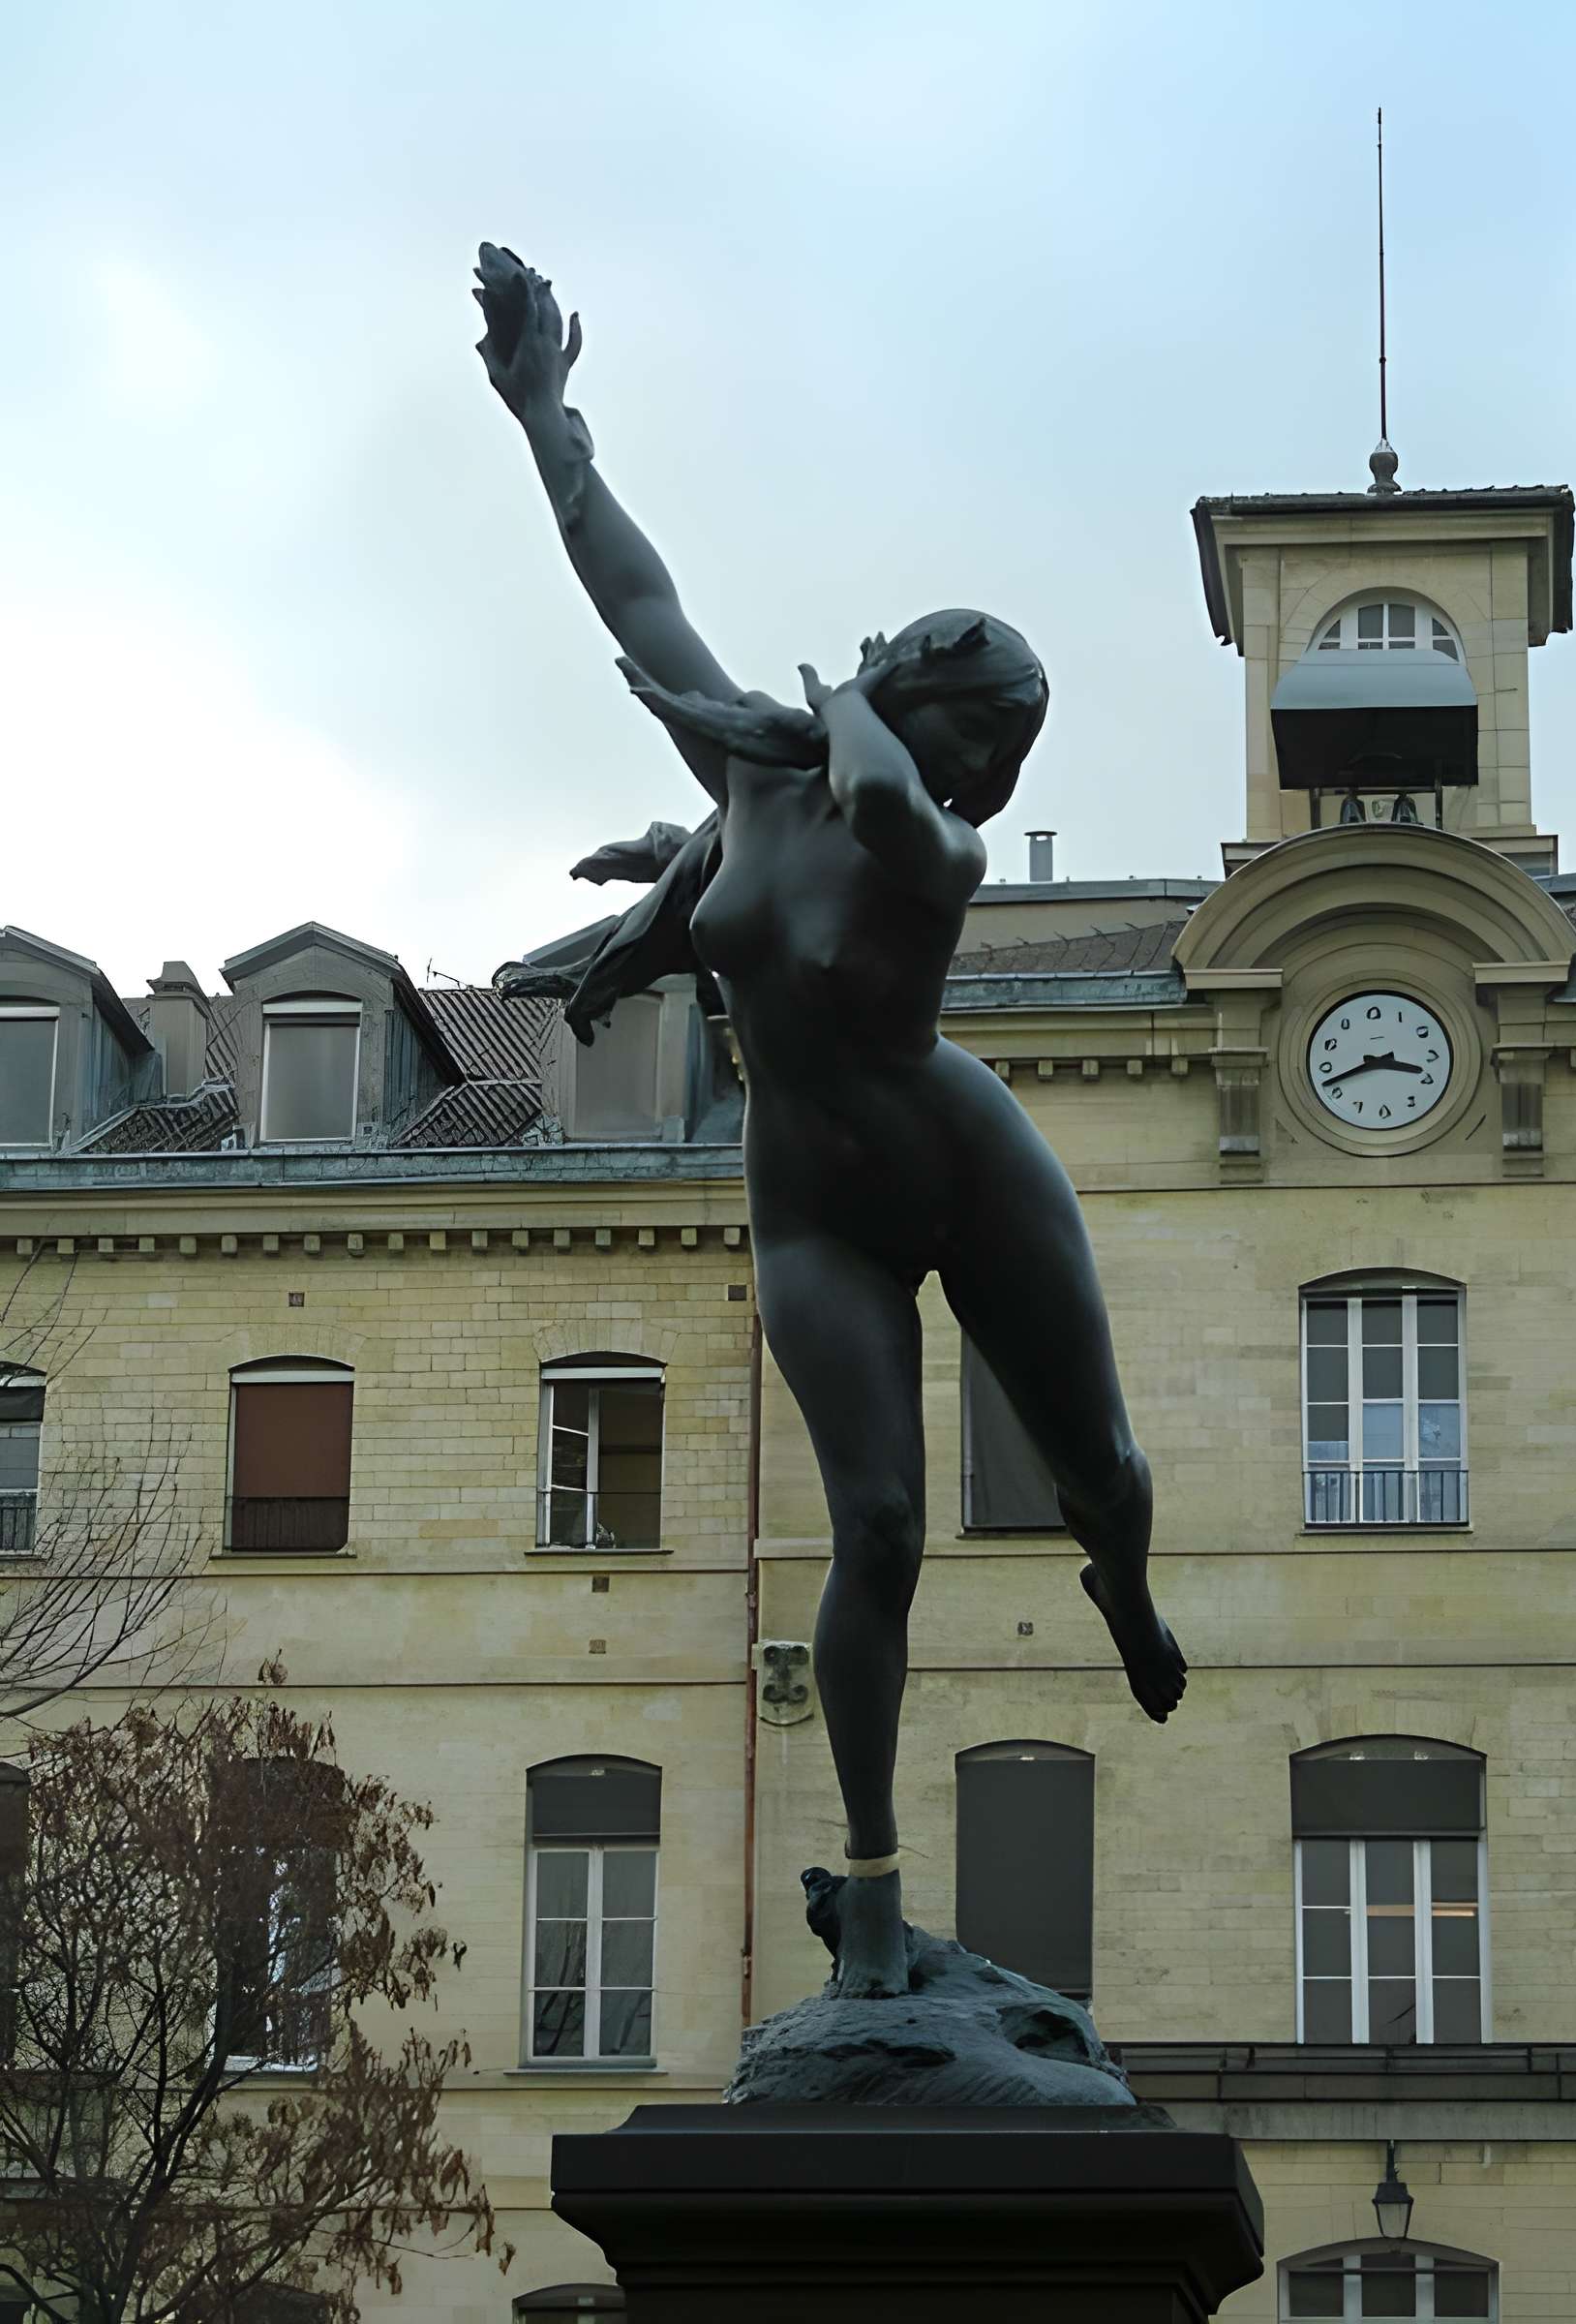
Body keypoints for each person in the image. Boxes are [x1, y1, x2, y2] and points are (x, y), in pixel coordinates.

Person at [475, 245, 1186, 1999]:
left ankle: (1125, 1582)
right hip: (808, 1209)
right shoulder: (766, 776)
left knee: (1100, 1473)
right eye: (976, 738)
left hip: (962, 1163)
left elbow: (871, 790)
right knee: (879, 1531)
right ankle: (869, 1892)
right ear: (929, 688)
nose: (980, 787)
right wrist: (547, 415)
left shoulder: (919, 841)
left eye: (997, 765)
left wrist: (855, 707)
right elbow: (626, 595)